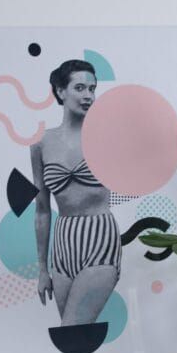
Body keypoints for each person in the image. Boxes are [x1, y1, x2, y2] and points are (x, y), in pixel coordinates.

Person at [30, 60, 121, 327]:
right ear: (60, 91)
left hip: (100, 237)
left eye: (92, 89)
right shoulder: (41, 143)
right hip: (63, 242)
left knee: (72, 328)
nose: (88, 96)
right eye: (80, 87)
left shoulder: (106, 139)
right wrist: (42, 270)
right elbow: (42, 210)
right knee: (75, 334)